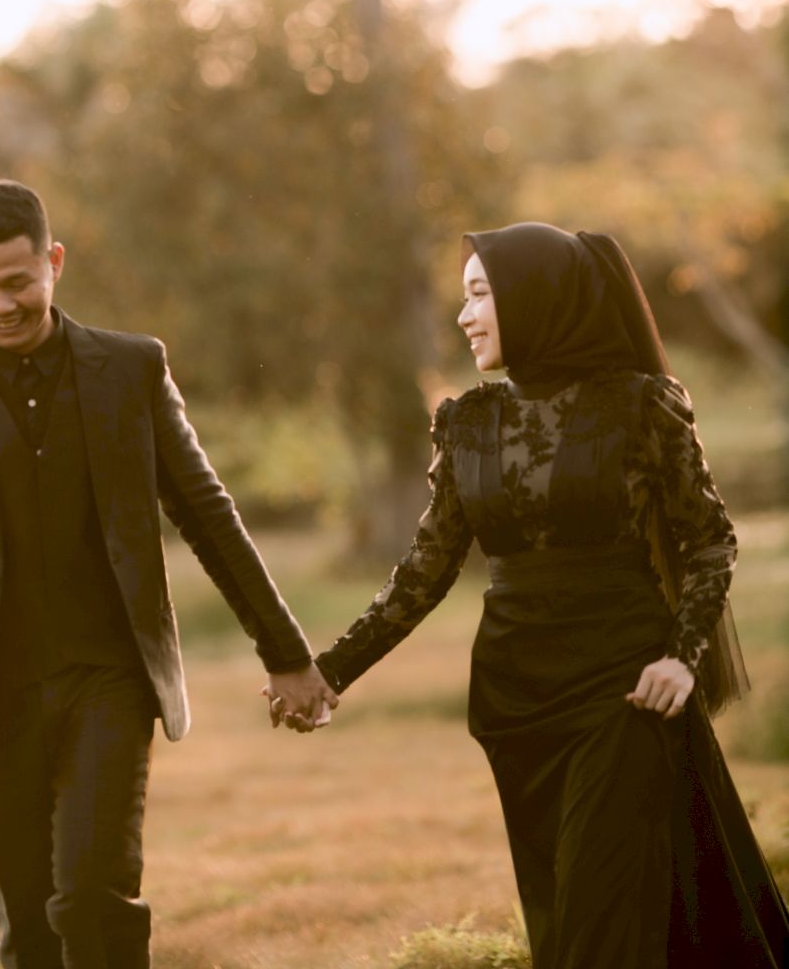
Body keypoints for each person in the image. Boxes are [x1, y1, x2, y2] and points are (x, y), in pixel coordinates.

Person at [0, 179, 336, 969]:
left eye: (18, 282)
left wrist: (286, 653)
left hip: (108, 679)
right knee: (28, 929)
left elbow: (208, 517)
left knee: (95, 897)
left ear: (54, 262)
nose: (1, 305)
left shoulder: (130, 370)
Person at [304, 222, 789, 969]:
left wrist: (680, 656)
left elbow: (709, 540)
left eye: (478, 295)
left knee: (598, 921)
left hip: (624, 690)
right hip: (515, 703)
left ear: (533, 297)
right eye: (462, 298)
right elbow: (425, 570)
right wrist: (329, 671)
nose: (463, 316)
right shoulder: (466, 422)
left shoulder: (639, 406)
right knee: (565, 922)